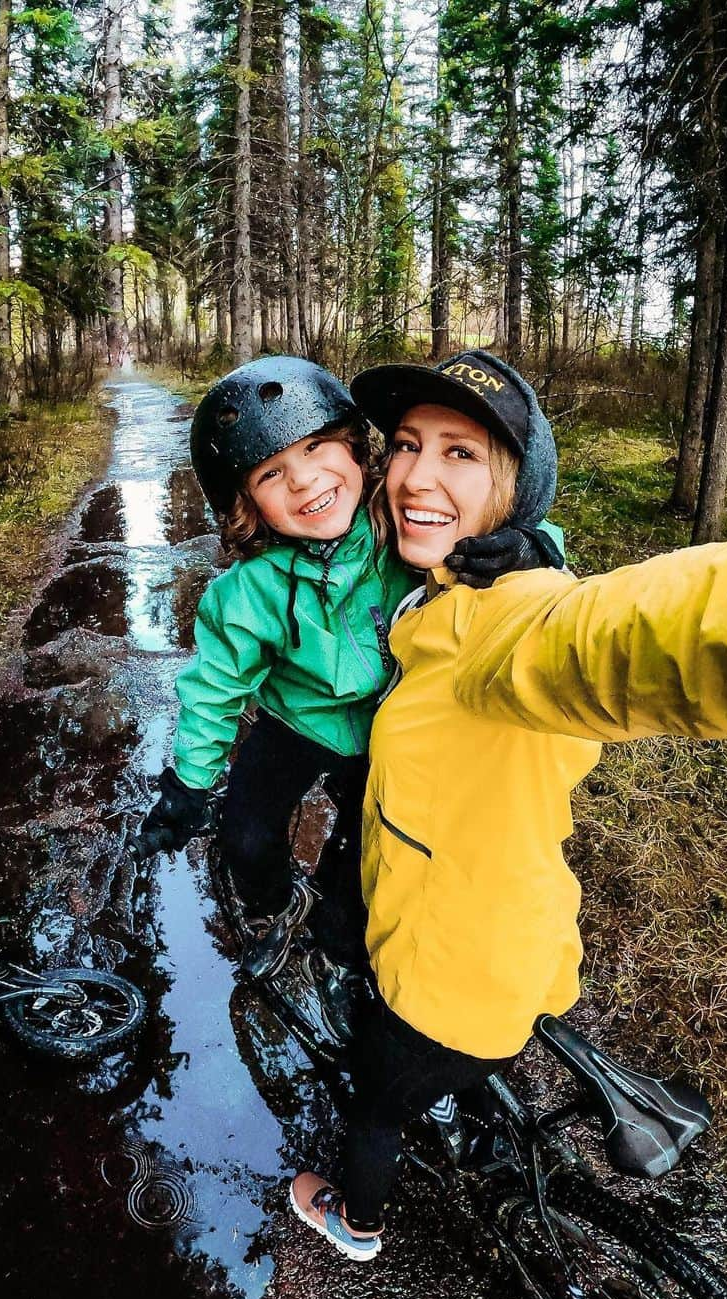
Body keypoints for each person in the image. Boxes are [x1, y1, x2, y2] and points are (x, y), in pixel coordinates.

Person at [287, 348, 727, 1261]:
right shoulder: (446, 592)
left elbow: (658, 629)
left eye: (461, 454)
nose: (414, 477)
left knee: (373, 1102)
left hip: (444, 981)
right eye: (404, 445)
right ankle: (480, 1116)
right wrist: (542, 543)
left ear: (513, 489)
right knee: (472, 1067)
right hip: (519, 944)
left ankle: (352, 1224)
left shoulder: (508, 632)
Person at [136, 356, 565, 1042]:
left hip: (382, 732)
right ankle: (277, 905)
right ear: (248, 505)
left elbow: (506, 544)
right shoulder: (245, 595)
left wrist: (531, 548)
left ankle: (341, 951)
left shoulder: (403, 534)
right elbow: (214, 692)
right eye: (271, 473)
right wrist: (190, 782)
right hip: (295, 723)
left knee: (362, 866)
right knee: (244, 837)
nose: (303, 479)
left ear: (357, 452)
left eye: (315, 449)